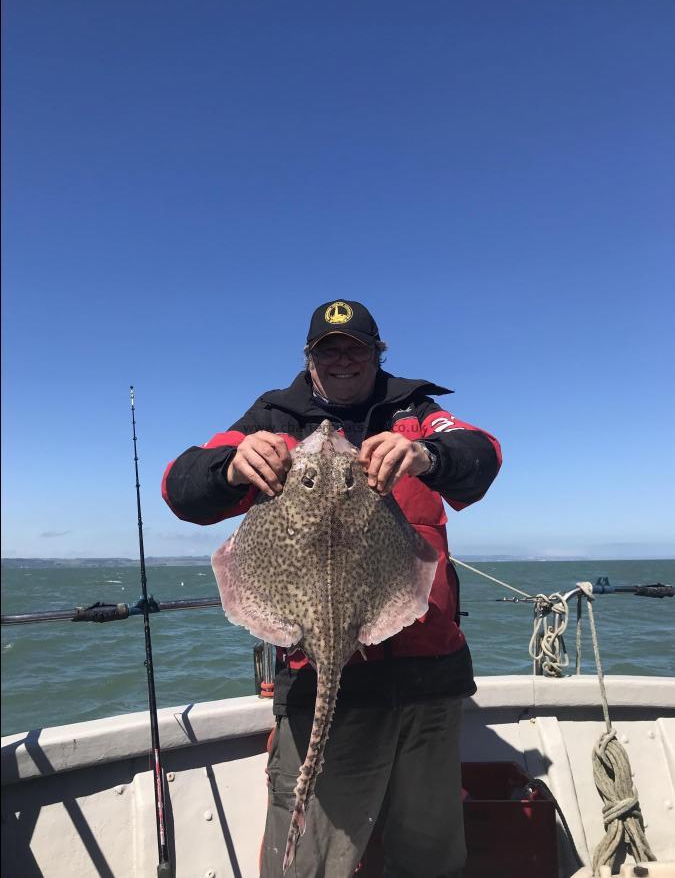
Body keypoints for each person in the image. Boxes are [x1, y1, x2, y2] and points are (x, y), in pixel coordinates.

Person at [162, 300, 502, 878]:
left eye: (356, 347)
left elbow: (482, 453)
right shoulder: (272, 418)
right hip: (322, 673)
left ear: (377, 353)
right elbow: (181, 483)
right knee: (311, 858)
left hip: (431, 673)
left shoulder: (414, 411)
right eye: (329, 349)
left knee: (431, 851)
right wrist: (232, 466)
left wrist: (425, 454)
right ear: (310, 359)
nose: (343, 359)